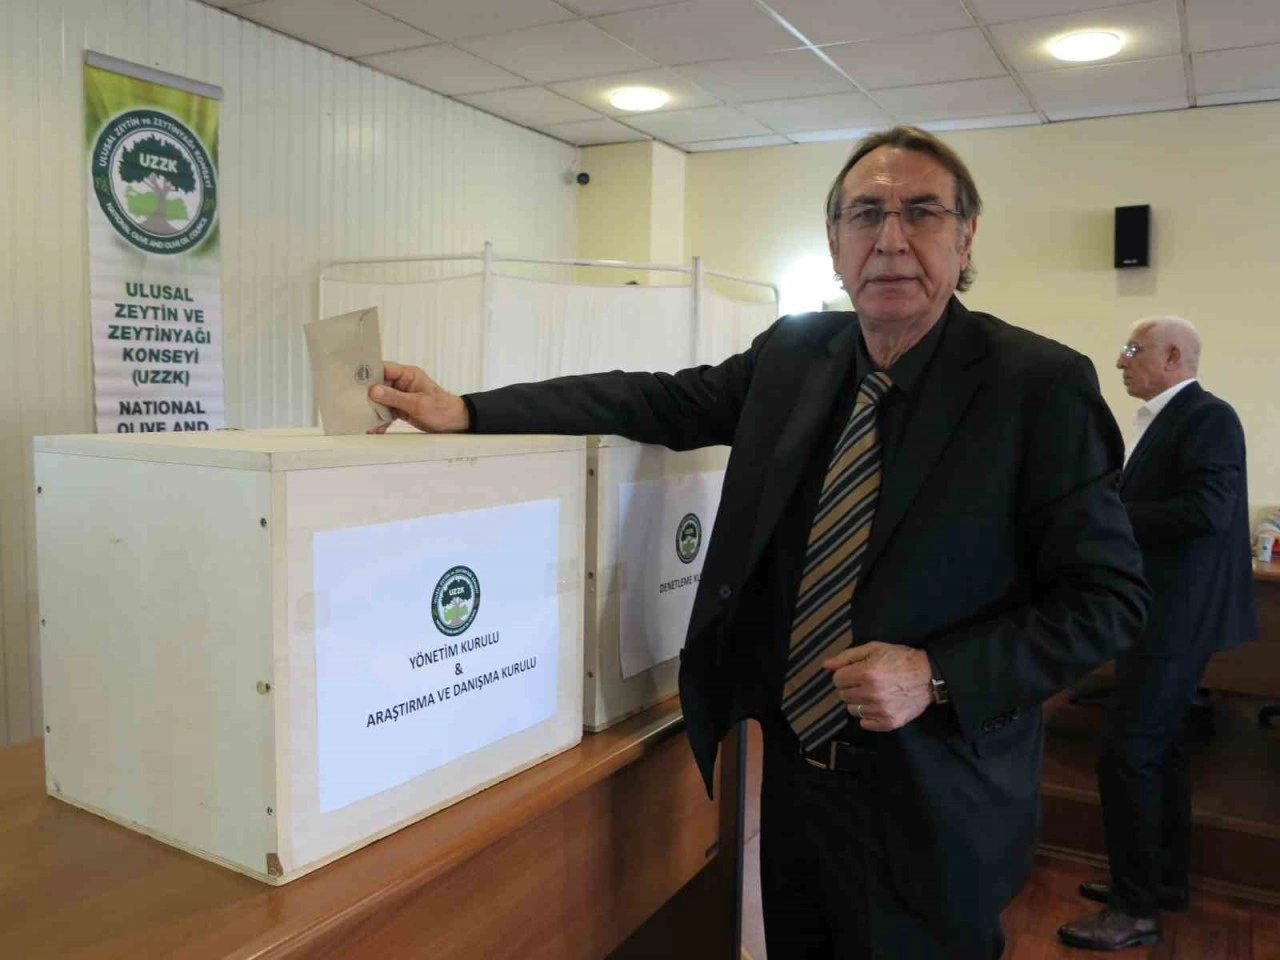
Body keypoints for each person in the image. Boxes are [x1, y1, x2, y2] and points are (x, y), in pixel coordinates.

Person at [369, 126, 1149, 958]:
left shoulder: (1037, 385)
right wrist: (471, 410)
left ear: (966, 239)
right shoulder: (796, 353)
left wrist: (936, 673)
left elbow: (1109, 602)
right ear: (835, 244)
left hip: (937, 802)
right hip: (795, 783)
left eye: (922, 212)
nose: (890, 239)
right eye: (865, 214)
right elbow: (653, 402)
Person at [1059, 316, 1257, 951]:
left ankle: (1133, 908)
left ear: (1172, 357)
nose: (1121, 361)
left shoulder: (1208, 417)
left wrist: (1106, 513)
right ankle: (1161, 882)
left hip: (1177, 619)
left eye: (1132, 349)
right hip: (1162, 615)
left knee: (1127, 754)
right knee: (1160, 751)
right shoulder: (1170, 420)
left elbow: (1206, 512)